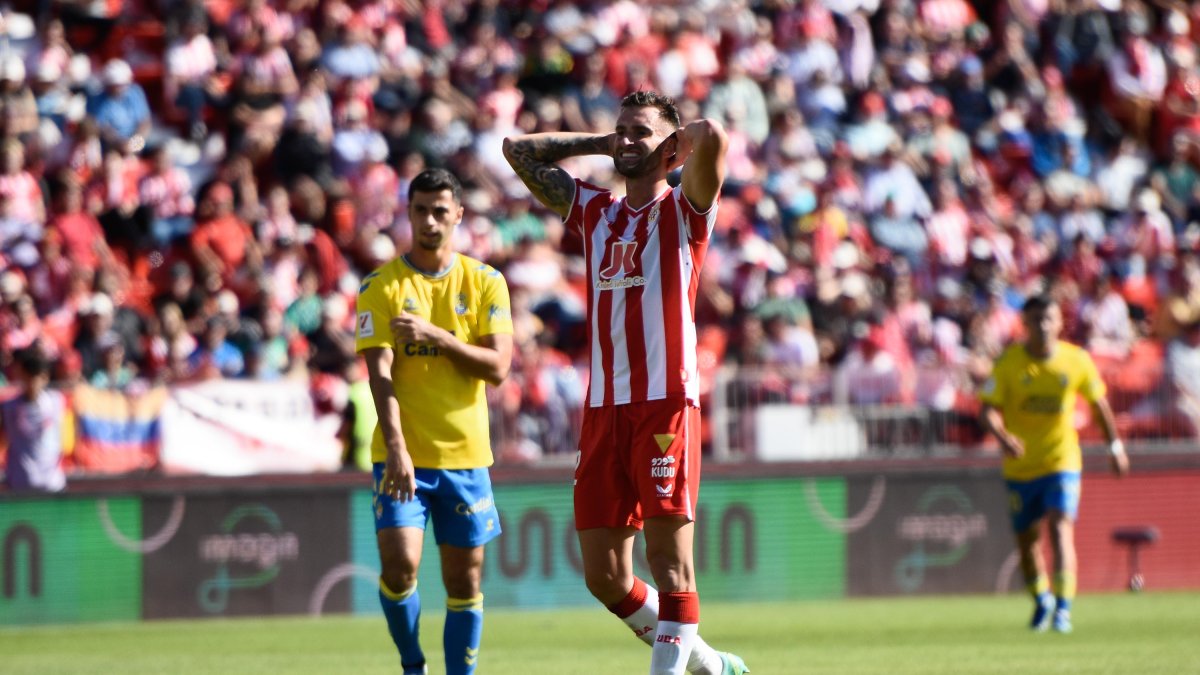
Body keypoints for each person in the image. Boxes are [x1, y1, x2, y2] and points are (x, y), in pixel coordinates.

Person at [504, 91, 748, 675]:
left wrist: (667, 143)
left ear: (670, 147)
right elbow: (519, 152)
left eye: (641, 131)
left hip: (665, 404)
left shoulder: (686, 211)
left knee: (669, 562)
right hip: (605, 410)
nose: (628, 139)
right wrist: (599, 142)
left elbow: (711, 133)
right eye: (622, 130)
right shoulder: (596, 211)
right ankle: (712, 667)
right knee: (605, 576)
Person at [354, 168, 513, 675]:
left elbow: (499, 369)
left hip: (466, 458)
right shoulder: (380, 286)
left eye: (440, 211)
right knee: (399, 569)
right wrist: (396, 447)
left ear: (459, 215)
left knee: (464, 584)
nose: (430, 220)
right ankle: (413, 665)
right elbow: (380, 376)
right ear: (408, 213)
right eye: (421, 209)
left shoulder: (486, 282)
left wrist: (438, 336)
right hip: (402, 457)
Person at [980, 293, 1130, 634]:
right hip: (1020, 468)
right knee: (1027, 541)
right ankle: (1042, 598)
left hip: (1062, 460)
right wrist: (1003, 438)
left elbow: (1099, 405)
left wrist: (1115, 447)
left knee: (1061, 527)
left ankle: (1063, 609)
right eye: (1036, 320)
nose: (1043, 326)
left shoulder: (1076, 360)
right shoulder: (1010, 363)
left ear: (1060, 322)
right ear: (1025, 324)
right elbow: (986, 410)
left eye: (1049, 319)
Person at [1, 347, 68, 493]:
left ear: (45, 378)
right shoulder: (8, 408)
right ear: (22, 376)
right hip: (20, 484)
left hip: (52, 484)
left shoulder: (57, 401)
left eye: (36, 376)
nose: (32, 382)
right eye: (28, 376)